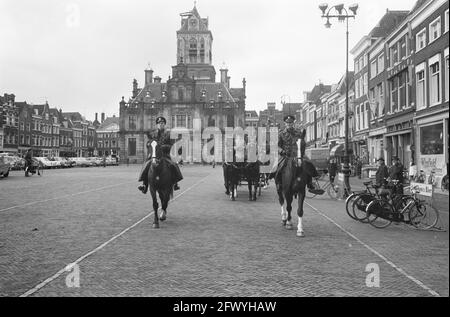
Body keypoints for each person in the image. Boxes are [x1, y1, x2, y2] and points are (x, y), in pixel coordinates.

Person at [272, 115, 323, 195]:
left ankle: (311, 184)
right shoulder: (281, 134)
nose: (289, 124)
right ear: (285, 124)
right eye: (288, 123)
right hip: (286, 155)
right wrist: (282, 151)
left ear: (293, 123)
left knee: (308, 164)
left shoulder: (298, 133)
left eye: (291, 123)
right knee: (276, 166)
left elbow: (302, 143)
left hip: (297, 154)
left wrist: (301, 150)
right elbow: (277, 146)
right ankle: (277, 182)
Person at [137, 116, 183, 194]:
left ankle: (175, 183)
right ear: (157, 125)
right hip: (155, 154)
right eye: (159, 123)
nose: (160, 125)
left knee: (173, 164)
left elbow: (171, 145)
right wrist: (149, 147)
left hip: (165, 154)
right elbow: (149, 143)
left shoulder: (168, 134)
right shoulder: (153, 134)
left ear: (164, 124)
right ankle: (144, 185)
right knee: (146, 164)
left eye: (162, 123)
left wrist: (163, 147)